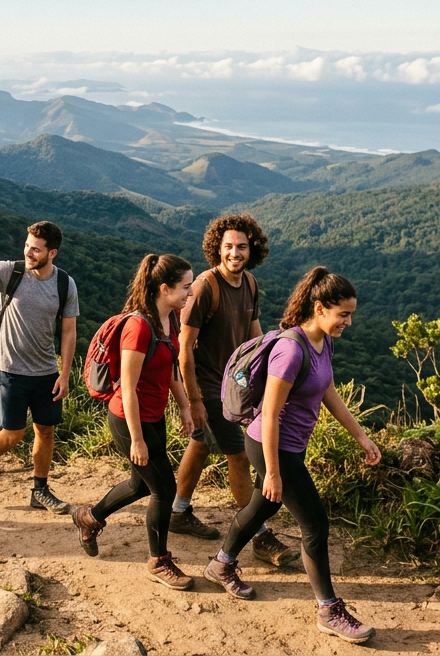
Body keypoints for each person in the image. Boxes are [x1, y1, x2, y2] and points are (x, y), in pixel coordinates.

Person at [205, 267, 382, 644]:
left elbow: (328, 392)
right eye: (343, 315)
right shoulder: (290, 349)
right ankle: (329, 609)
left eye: (350, 314)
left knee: (262, 508)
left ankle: (221, 565)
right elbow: (269, 414)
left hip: (290, 445)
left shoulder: (324, 342)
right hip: (272, 445)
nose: (348, 322)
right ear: (319, 308)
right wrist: (272, 471)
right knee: (315, 522)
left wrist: (362, 438)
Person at [170, 214, 299, 566]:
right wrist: (193, 400)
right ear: (217, 249)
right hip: (209, 386)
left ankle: (178, 512)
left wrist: (274, 373)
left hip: (235, 387)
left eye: (241, 246)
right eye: (228, 246)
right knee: (239, 456)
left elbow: (254, 337)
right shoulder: (204, 288)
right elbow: (184, 349)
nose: (235, 253)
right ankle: (258, 535)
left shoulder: (250, 284)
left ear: (251, 248)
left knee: (200, 446)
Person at [70, 254, 197, 589]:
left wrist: (184, 407)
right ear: (165, 288)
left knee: (140, 485)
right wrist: (137, 439)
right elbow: (127, 387)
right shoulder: (139, 327)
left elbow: (170, 368)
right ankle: (158, 561)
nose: (190, 292)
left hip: (152, 416)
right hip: (129, 419)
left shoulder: (168, 320)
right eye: (186, 287)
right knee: (164, 488)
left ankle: (89, 517)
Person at [0, 218, 80, 514]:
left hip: (46, 371)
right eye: (26, 246)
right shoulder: (10, 272)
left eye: (35, 249)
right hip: (10, 369)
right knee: (13, 433)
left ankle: (40, 490)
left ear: (52, 253)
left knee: (45, 431)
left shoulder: (64, 284)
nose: (28, 253)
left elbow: (69, 331)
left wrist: (65, 373)